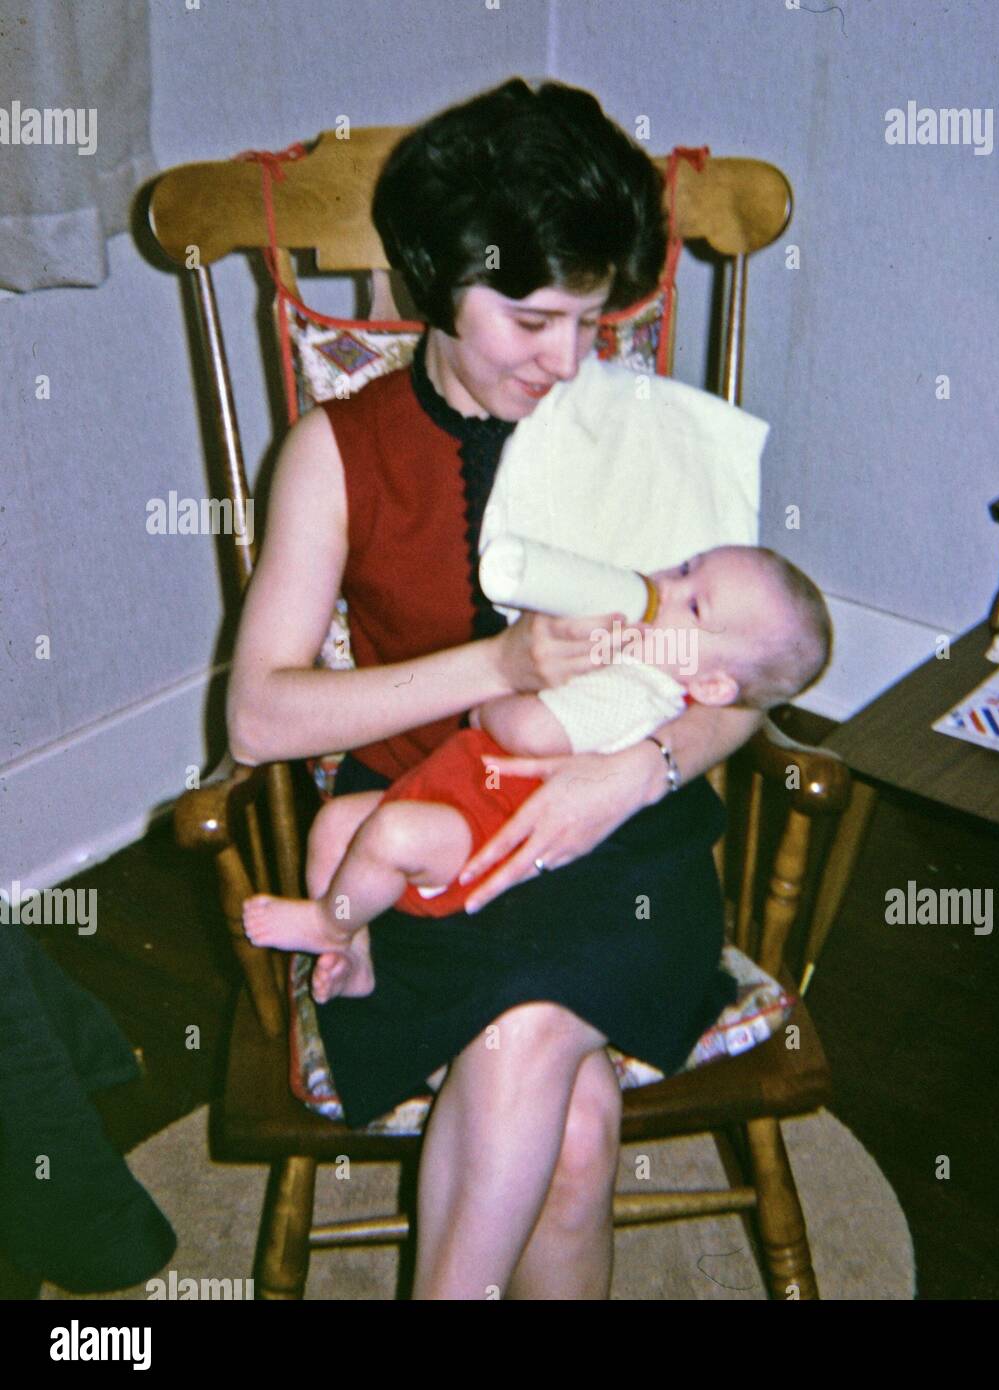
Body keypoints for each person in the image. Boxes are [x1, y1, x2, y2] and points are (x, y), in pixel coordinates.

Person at [225, 78, 779, 1299]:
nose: (569, 360)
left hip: (630, 842)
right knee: (573, 1135)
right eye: (531, 319)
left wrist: (630, 772)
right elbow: (259, 714)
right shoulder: (338, 453)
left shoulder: (639, 430)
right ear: (435, 280)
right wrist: (497, 668)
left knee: (538, 1067)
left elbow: (748, 671)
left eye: (593, 319)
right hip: (426, 850)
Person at [241, 544, 832, 998]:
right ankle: (359, 954)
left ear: (710, 684)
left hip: (484, 834)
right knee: (337, 825)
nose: (665, 587)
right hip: (453, 790)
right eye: (683, 569)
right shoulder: (632, 654)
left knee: (389, 836)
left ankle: (330, 924)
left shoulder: (638, 693)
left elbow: (530, 733)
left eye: (694, 604)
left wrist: (489, 699)